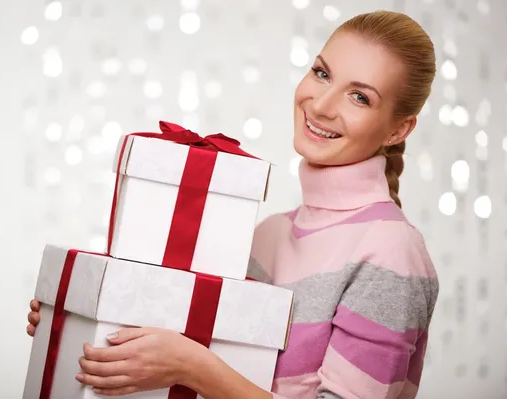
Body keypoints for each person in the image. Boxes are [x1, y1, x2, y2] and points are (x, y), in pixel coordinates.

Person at [26, 10, 439, 399]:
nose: (321, 105)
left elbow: (199, 365)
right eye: (322, 73)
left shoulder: (391, 251)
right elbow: (201, 347)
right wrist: (85, 320)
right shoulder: (268, 234)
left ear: (398, 129)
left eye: (359, 97)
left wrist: (191, 366)